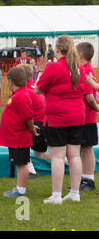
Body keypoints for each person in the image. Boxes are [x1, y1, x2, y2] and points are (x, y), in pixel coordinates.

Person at [35, 35, 87, 204]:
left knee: (57, 157)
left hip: (57, 118)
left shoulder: (53, 67)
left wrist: (41, 71)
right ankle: (74, 192)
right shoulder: (79, 68)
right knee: (74, 155)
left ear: (56, 49)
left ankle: (56, 195)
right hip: (77, 116)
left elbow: (37, 89)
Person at [0, 66, 38, 197]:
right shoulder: (18, 95)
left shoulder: (21, 96)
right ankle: (20, 188)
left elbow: (27, 116)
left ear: (10, 82)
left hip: (19, 138)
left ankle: (21, 189)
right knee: (20, 163)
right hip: (15, 137)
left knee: (21, 164)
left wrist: (32, 128)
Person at [18, 64, 50, 178]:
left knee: (19, 144)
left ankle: (31, 171)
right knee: (39, 154)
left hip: (36, 127)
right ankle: (66, 162)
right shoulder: (34, 87)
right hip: (45, 125)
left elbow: (24, 115)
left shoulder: (24, 91)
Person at [76, 42, 98, 191]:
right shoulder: (84, 69)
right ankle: (84, 178)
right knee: (84, 148)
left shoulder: (85, 71)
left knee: (87, 149)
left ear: (81, 55)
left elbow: (90, 97)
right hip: (83, 117)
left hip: (87, 117)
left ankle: (89, 179)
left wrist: (96, 108)